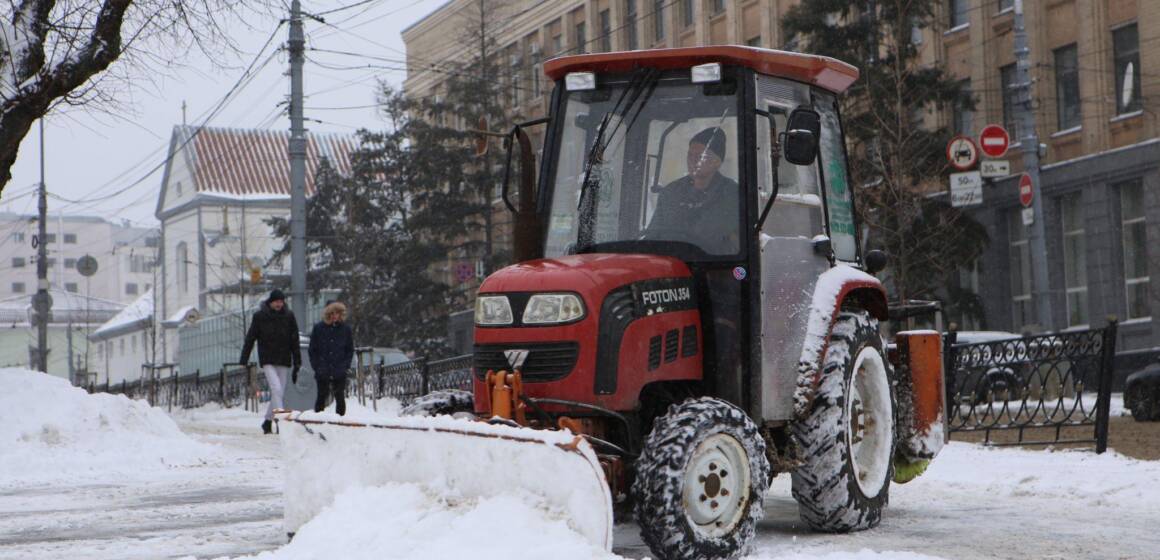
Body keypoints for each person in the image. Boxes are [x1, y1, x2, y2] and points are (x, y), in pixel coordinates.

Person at [645, 126, 740, 255]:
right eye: (690, 155)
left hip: (714, 266)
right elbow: (653, 236)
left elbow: (730, 242)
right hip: (671, 264)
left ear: (717, 162)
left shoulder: (732, 195)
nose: (693, 160)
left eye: (701, 156)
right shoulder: (671, 193)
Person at [240, 289, 302, 434]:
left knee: (278, 393)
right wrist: (244, 358)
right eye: (277, 301)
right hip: (267, 358)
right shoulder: (260, 316)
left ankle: (267, 421)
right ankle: (281, 422)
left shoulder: (289, 316)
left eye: (281, 301)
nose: (279, 304)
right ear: (271, 302)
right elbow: (251, 337)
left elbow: (295, 340)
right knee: (276, 389)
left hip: (284, 358)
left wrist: (297, 361)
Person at [308, 301, 354, 416]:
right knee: (321, 395)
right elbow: (313, 349)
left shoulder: (345, 329)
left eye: (337, 313)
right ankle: (318, 420)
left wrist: (345, 366)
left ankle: (340, 422)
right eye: (332, 313)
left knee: (339, 396)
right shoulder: (319, 328)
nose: (334, 316)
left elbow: (349, 349)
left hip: (339, 368)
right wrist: (317, 366)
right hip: (323, 368)